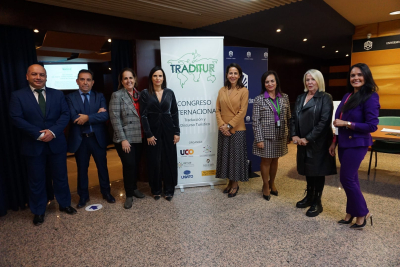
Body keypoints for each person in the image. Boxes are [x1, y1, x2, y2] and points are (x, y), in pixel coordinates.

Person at [9, 64, 77, 226]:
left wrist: (52, 132)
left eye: (41, 75)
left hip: (56, 143)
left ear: (46, 77)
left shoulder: (57, 94)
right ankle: (38, 211)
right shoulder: (17, 96)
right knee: (36, 180)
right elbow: (16, 118)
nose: (38, 77)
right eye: (34, 74)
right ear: (27, 76)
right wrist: (39, 134)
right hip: (33, 145)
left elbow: (65, 114)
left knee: (61, 177)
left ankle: (65, 204)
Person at [330, 63, 379, 229]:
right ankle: (350, 212)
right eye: (352, 75)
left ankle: (363, 212)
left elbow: (372, 126)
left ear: (366, 76)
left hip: (357, 143)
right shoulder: (347, 96)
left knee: (347, 178)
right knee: (353, 179)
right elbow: (338, 121)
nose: (356, 78)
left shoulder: (371, 96)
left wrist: (348, 123)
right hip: (343, 143)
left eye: (359, 75)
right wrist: (334, 142)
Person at [66, 69, 115, 209]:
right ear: (77, 81)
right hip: (81, 140)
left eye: (88, 80)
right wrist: (95, 116)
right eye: (82, 79)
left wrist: (87, 117)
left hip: (97, 138)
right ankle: (83, 196)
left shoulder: (99, 96)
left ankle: (106, 193)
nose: (85, 82)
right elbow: (74, 117)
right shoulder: (70, 98)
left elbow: (105, 116)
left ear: (92, 82)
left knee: (102, 168)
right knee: (82, 169)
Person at [290, 69, 336, 217]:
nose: (310, 82)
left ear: (319, 81)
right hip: (302, 142)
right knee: (308, 170)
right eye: (307, 79)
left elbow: (324, 122)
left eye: (313, 79)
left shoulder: (325, 98)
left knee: (317, 171)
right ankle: (309, 196)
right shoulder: (300, 97)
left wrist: (307, 138)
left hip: (318, 142)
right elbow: (293, 118)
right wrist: (294, 135)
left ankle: (317, 201)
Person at [140, 66, 180, 201]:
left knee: (169, 159)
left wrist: (177, 132)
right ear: (151, 78)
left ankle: (169, 189)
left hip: (168, 130)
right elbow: (144, 116)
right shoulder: (145, 93)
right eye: (155, 76)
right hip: (153, 132)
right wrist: (148, 134)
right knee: (154, 161)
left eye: (160, 76)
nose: (158, 78)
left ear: (164, 78)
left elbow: (174, 112)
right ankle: (156, 189)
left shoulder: (169, 93)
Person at [109, 68, 145, 209]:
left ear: (135, 79)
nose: (128, 81)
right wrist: (123, 139)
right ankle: (129, 194)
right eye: (125, 78)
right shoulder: (117, 95)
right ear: (121, 81)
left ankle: (134, 188)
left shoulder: (141, 95)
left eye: (131, 78)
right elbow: (115, 119)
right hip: (125, 138)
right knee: (129, 165)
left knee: (135, 165)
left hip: (139, 136)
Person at [252, 70, 290, 201]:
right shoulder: (259, 99)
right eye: (267, 82)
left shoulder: (285, 97)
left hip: (280, 135)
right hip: (266, 136)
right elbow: (255, 121)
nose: (270, 84)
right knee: (266, 161)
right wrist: (259, 139)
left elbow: (288, 117)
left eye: (272, 81)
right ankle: (265, 185)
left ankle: (272, 182)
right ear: (264, 84)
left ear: (276, 82)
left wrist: (288, 135)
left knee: (275, 160)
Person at [216, 63, 249, 197]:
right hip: (223, 128)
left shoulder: (243, 91)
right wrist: (222, 125)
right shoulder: (221, 90)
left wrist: (229, 126)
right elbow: (217, 109)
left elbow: (242, 112)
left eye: (235, 73)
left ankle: (235, 185)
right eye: (230, 73)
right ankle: (229, 182)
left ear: (239, 75)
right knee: (226, 157)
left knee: (235, 158)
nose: (233, 76)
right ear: (227, 75)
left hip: (237, 129)